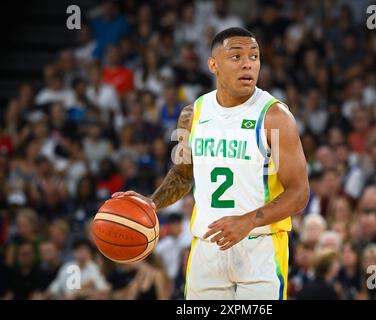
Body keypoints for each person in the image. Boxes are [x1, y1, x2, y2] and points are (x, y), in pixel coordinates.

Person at [113, 27, 309, 300]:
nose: (247, 63)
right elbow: (182, 175)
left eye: (254, 56)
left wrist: (248, 221)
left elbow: (299, 193)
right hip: (207, 249)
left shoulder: (275, 117)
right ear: (213, 65)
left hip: (259, 248)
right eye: (236, 56)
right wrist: (152, 202)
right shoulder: (192, 114)